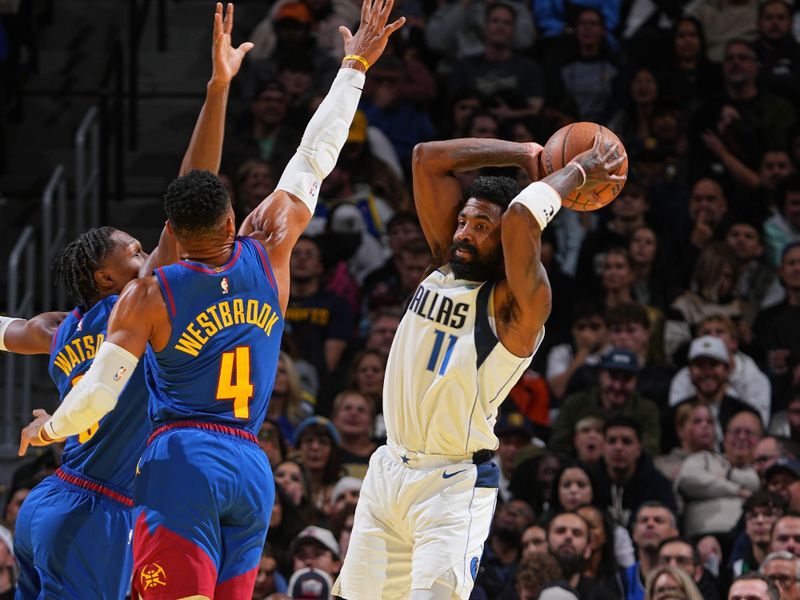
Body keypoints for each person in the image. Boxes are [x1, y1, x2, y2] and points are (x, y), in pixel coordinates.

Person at [16, 3, 405, 599]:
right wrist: (353, 66)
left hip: (181, 462)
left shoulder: (148, 294)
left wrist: (48, 433)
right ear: (232, 215)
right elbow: (313, 158)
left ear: (173, 231)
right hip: (252, 468)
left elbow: (95, 395)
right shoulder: (269, 247)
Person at [1, 5, 246, 597]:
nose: (147, 255)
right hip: (98, 511)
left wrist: (50, 424)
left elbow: (5, 328)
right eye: (134, 251)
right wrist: (217, 88)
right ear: (108, 280)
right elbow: (194, 187)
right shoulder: (133, 304)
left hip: (44, 505)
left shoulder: (55, 327)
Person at [333, 121, 625, 597]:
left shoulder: (518, 306)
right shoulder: (442, 265)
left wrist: (575, 171)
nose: (464, 232)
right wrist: (521, 152)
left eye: (481, 226)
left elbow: (522, 221)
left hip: (451, 486)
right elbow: (427, 156)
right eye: (465, 220)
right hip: (388, 468)